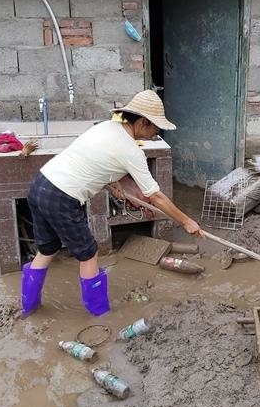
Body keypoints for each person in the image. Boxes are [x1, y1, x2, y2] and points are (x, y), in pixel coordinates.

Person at [21, 89, 203, 318]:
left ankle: (29, 308)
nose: (156, 133)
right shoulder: (131, 151)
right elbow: (155, 196)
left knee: (47, 249)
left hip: (40, 185)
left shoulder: (106, 127)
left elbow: (94, 158)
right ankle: (100, 315)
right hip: (61, 197)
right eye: (155, 128)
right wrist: (186, 222)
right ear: (143, 122)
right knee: (89, 253)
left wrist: (113, 180)